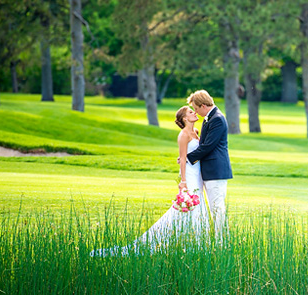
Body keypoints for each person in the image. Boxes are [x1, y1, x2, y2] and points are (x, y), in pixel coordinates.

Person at [90, 106, 208, 257]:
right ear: (185, 118)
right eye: (191, 112)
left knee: (198, 203)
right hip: (189, 174)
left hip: (198, 173)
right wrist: (183, 181)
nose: (195, 113)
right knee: (190, 204)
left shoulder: (196, 132)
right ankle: (183, 241)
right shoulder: (183, 135)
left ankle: (196, 242)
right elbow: (183, 159)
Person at [185, 90, 232, 236]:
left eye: (196, 108)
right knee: (214, 207)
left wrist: (187, 158)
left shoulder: (217, 119)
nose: (196, 112)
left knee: (217, 207)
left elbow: (208, 146)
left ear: (203, 105)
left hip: (216, 170)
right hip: (210, 170)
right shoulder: (209, 118)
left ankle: (222, 242)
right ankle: (219, 239)